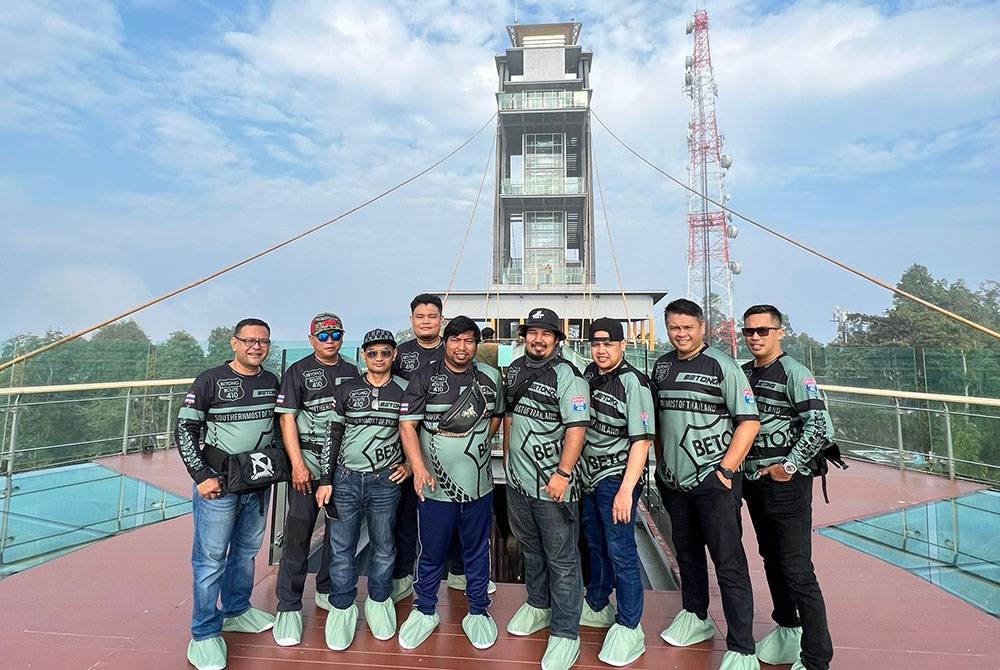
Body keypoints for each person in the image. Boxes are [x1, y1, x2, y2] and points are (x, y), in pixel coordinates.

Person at [649, 299, 761, 670]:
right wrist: (662, 464)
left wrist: (726, 470)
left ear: (702, 328)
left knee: (728, 561)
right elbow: (661, 420)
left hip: (714, 481)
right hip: (674, 482)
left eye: (687, 328)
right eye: (674, 328)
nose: (680, 334)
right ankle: (695, 615)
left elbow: (748, 422)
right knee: (687, 554)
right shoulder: (662, 366)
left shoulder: (723, 366)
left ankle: (742, 645)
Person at [396, 316, 505, 650]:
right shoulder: (424, 376)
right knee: (431, 551)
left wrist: (475, 444)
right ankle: (425, 609)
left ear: (476, 344)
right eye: (456, 340)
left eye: (469, 341)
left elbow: (497, 415)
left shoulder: (490, 377)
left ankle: (478, 610)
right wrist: (419, 467)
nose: (462, 347)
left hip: (479, 485)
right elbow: (407, 426)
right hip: (434, 487)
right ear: (445, 342)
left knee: (476, 550)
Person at [177, 318, 280, 670]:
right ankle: (204, 632)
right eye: (249, 340)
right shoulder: (210, 380)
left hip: (256, 482)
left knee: (246, 552)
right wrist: (201, 475)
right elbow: (185, 429)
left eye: (263, 341)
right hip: (217, 485)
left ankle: (237, 609)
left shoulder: (271, 381)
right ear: (234, 343)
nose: (256, 346)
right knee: (210, 559)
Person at [740, 305, 835, 670]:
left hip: (786, 484)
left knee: (797, 567)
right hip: (755, 481)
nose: (756, 337)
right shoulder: (745, 373)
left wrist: (789, 466)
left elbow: (821, 427)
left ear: (780, 332)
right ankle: (787, 626)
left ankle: (816, 658)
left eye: (763, 331)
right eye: (749, 331)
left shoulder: (795, 373)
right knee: (771, 558)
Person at [503, 307, 591, 670]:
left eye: (546, 333)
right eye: (532, 332)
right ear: (524, 336)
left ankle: (566, 632)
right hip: (519, 483)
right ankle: (538, 604)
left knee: (563, 560)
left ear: (557, 339)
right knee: (531, 550)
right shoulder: (514, 371)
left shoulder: (568, 375)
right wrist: (508, 461)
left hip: (553, 486)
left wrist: (564, 473)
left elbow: (577, 428)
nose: (538, 339)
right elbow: (508, 415)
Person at [314, 329, 411, 650]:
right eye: (373, 353)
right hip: (344, 479)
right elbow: (332, 436)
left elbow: (416, 434)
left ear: (394, 355)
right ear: (363, 356)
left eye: (385, 352)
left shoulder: (406, 390)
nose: (379, 358)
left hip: (386, 481)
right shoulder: (347, 388)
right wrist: (325, 479)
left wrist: (410, 466)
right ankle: (341, 606)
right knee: (341, 549)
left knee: (384, 545)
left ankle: (380, 601)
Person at [272, 313, 359, 646]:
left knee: (339, 534)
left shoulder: (352, 370)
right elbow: (288, 420)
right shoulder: (298, 371)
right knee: (298, 533)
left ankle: (326, 588)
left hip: (341, 467)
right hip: (307, 462)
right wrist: (297, 464)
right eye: (323, 336)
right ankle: (289, 605)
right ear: (311, 339)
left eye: (336, 334)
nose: (330, 340)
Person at [579, 318, 655, 667]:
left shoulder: (633, 383)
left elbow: (642, 441)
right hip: (590, 477)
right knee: (595, 544)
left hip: (616, 477)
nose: (601, 350)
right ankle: (597, 603)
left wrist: (627, 490)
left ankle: (629, 624)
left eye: (608, 343)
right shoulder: (588, 376)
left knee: (621, 551)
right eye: (596, 343)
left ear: (622, 345)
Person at [389, 293, 444, 602]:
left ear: (441, 320)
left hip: (442, 444)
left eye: (432, 317)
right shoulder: (400, 355)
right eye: (420, 317)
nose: (426, 321)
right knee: (404, 516)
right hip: (404, 447)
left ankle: (460, 576)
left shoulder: (451, 352)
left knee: (450, 515)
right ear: (411, 320)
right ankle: (401, 576)